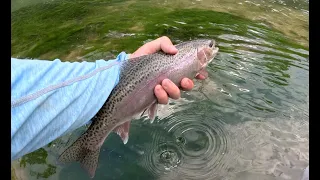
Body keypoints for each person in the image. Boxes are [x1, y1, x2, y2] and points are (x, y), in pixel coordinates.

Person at [11, 36, 207, 160]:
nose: (213, 48)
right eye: (211, 46)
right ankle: (91, 143)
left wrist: (123, 67)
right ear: (201, 51)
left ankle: (91, 143)